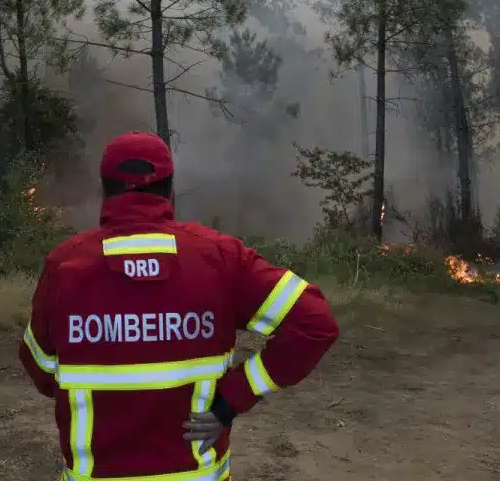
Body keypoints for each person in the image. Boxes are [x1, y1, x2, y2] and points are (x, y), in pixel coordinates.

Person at [18, 130, 340, 481]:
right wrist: (235, 395)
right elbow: (314, 322)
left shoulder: (65, 266)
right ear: (170, 191)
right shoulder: (220, 257)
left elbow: (41, 366)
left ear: (104, 192)